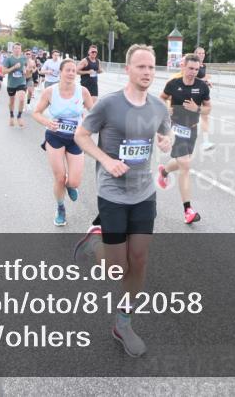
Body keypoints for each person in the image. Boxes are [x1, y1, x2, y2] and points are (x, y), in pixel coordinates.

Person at [74, 44, 172, 357]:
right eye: (141, 67)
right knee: (116, 269)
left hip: (144, 193)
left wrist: (167, 140)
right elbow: (81, 136)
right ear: (128, 69)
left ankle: (123, 323)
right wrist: (106, 159)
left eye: (151, 68)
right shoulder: (109, 105)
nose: (147, 73)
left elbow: (165, 134)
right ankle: (97, 240)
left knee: (139, 260)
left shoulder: (158, 107)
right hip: (113, 193)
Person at [32, 59, 96, 226]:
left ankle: (70, 186)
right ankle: (60, 208)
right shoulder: (49, 92)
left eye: (73, 71)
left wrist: (88, 123)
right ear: (60, 72)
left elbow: (95, 113)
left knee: (74, 182)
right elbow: (36, 112)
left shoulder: (83, 91)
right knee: (59, 178)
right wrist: (47, 122)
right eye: (67, 70)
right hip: (55, 137)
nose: (71, 73)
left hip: (76, 138)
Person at [157, 53, 211, 224]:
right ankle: (188, 209)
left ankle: (163, 171)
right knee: (186, 166)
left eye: (196, 69)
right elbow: (161, 99)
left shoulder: (202, 87)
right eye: (190, 68)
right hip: (176, 130)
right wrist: (167, 109)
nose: (193, 72)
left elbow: (208, 109)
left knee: (183, 162)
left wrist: (197, 109)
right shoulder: (173, 84)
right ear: (183, 67)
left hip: (192, 130)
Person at [2, 42, 29, 127]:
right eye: (16, 48)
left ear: (21, 50)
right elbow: (3, 71)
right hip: (11, 83)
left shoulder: (24, 58)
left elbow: (25, 67)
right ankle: (11, 116)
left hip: (21, 82)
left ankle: (19, 116)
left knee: (21, 99)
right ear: (13, 49)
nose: (17, 50)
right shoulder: (8, 59)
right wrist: (14, 67)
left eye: (19, 48)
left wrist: (25, 71)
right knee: (12, 101)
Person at [193, 46, 215, 152]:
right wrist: (204, 79)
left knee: (205, 117)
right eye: (199, 53)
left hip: (203, 93)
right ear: (195, 54)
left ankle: (206, 142)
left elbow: (202, 78)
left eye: (203, 53)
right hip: (193, 93)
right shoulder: (192, 65)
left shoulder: (203, 65)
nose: (202, 55)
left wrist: (207, 82)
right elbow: (191, 77)